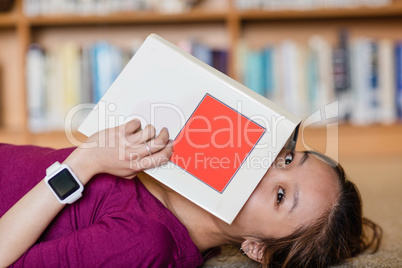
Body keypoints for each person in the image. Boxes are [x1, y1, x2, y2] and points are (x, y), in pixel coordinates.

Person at [0, 119, 382, 267]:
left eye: (280, 196)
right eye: (285, 160)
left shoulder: (145, 241)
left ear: (257, 248)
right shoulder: (173, 165)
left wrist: (84, 164)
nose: (263, 169)